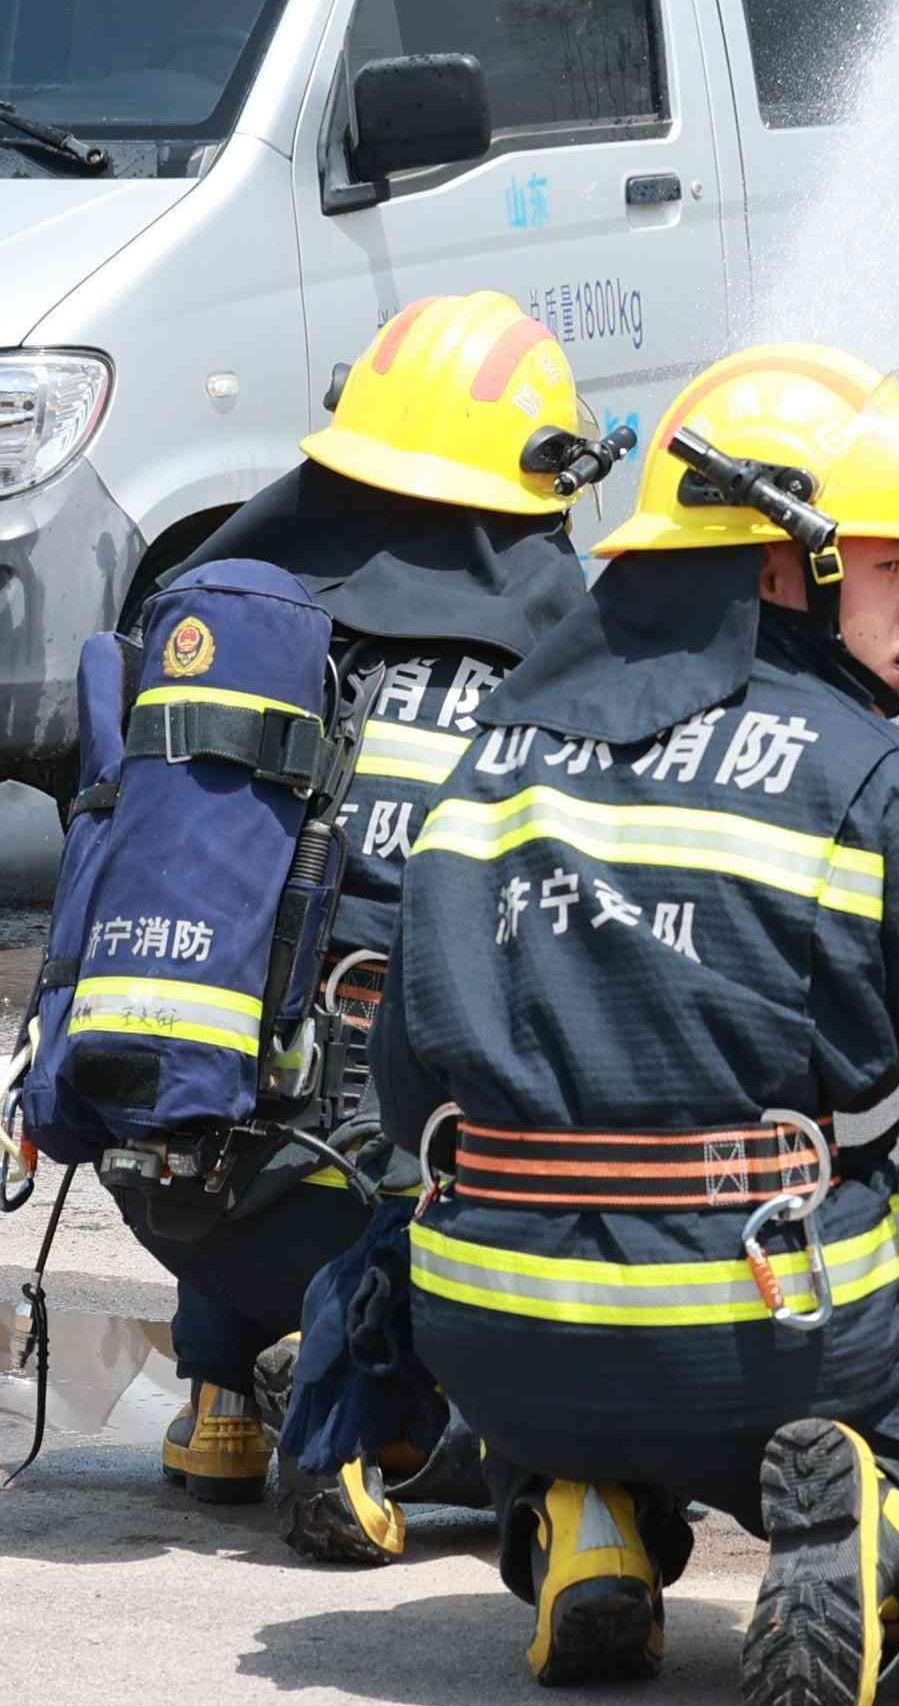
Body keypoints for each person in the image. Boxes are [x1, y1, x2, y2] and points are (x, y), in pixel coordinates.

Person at [380, 341, 899, 1706]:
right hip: (768, 1334)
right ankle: (892, 1543)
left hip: (494, 1342)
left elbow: (411, 1083)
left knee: (590, 1382)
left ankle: (585, 1519)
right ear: (782, 570)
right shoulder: (885, 784)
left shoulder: (486, 761)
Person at [122, 292, 603, 1563]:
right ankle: (388, 1412)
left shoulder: (226, 631)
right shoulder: (554, 674)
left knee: (242, 971)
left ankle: (217, 1399)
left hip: (179, 1180)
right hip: (392, 1194)